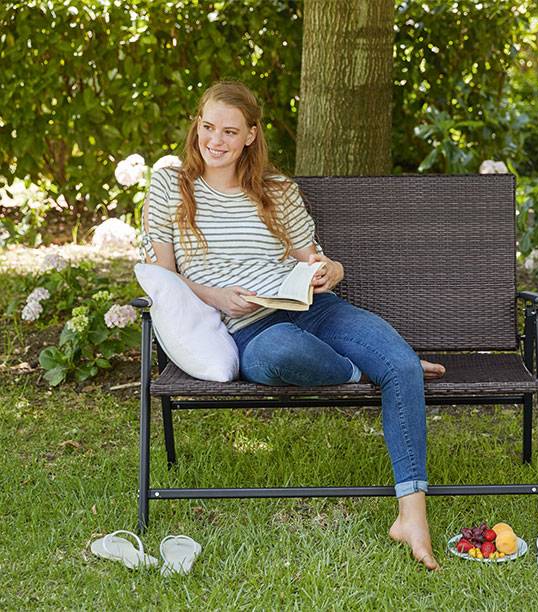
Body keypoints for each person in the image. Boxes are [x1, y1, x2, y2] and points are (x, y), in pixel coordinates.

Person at [141, 81, 444, 570]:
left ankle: (411, 514)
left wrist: (331, 271)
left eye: (230, 131)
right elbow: (164, 275)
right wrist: (217, 296)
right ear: (197, 124)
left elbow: (316, 260)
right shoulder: (170, 185)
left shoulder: (277, 191)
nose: (215, 140)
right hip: (250, 332)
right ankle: (359, 371)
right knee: (283, 350)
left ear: (251, 137)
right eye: (208, 126)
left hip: (312, 309)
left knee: (398, 362)